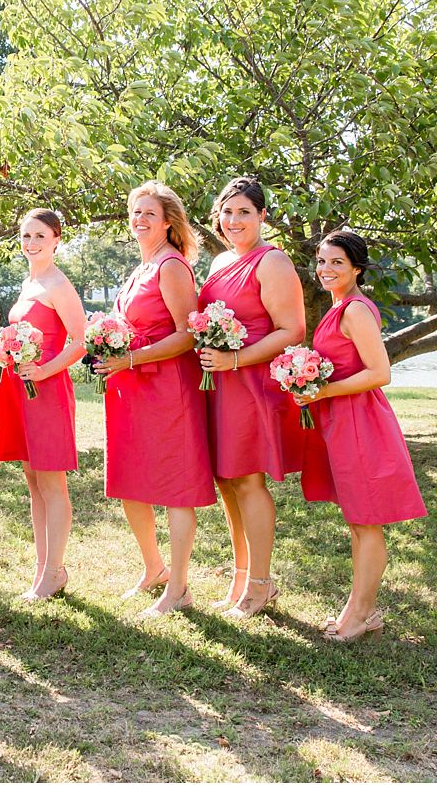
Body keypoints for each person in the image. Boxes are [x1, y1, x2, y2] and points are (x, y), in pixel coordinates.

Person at [296, 230, 426, 641]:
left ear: (356, 267)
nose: (326, 269)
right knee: (357, 521)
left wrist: (323, 389)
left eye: (336, 262)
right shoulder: (338, 308)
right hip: (339, 421)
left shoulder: (355, 310)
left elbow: (380, 372)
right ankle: (360, 608)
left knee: (366, 522)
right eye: (321, 261)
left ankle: (363, 613)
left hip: (360, 423)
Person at [93, 183, 215, 617]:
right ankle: (154, 568)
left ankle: (179, 587)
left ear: (167, 221)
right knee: (131, 480)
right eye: (134, 211)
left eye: (148, 212)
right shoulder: (139, 268)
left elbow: (188, 335)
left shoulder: (172, 266)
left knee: (175, 488)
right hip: (133, 387)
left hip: (168, 388)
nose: (139, 219)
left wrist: (132, 356)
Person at [196, 177, 306, 618]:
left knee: (247, 480)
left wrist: (235, 360)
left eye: (244, 212)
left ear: (262, 216)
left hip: (249, 383)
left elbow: (292, 330)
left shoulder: (272, 261)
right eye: (227, 212)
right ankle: (241, 576)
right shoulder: (220, 261)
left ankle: (261, 583)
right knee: (226, 480)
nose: (234, 220)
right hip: (217, 382)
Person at [0, 209, 87, 601]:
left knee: (51, 482)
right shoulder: (29, 281)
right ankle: (42, 568)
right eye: (26, 236)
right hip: (21, 389)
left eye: (39, 236)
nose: (31, 243)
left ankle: (55, 570)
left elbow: (81, 341)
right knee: (32, 480)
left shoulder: (57, 283)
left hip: (46, 391)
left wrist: (46, 370)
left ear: (56, 240)